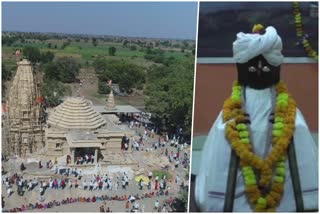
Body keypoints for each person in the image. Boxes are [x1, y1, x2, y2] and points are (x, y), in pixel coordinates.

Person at [195, 25, 318, 212]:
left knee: (295, 130)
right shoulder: (231, 112)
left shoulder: (289, 112)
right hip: (242, 113)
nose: (259, 70)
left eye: (265, 65)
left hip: (281, 198)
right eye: (253, 66)